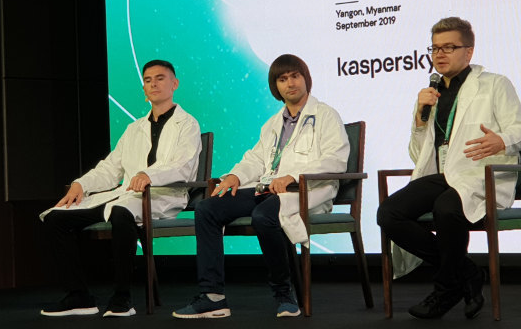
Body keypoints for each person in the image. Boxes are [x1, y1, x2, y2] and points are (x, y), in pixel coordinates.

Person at [173, 54, 350, 319]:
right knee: (207, 209)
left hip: (305, 191)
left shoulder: (325, 115)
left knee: (264, 216)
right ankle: (212, 297)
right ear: (275, 86)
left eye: (295, 76)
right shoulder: (272, 124)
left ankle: (284, 294)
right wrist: (235, 176)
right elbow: (255, 159)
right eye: (283, 79)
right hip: (267, 189)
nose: (290, 83)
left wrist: (292, 176)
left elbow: (336, 159)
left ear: (305, 78)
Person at [377, 17, 521, 319]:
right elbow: (418, 154)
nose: (439, 54)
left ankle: (445, 289)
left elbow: (518, 128)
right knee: (389, 213)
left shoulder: (494, 84)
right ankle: (465, 272)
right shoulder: (430, 95)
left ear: (469, 51)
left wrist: (502, 140)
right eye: (435, 48)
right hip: (443, 175)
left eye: (448, 47)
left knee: (446, 208)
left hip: (481, 174)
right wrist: (420, 118)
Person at [40, 60, 201, 317]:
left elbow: (183, 165)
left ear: (174, 84)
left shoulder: (188, 124)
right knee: (56, 219)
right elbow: (110, 168)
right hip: (128, 195)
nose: (153, 84)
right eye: (148, 80)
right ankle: (79, 296)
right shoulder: (134, 129)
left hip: (163, 196)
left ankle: (122, 298)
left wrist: (148, 175)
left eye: (160, 78)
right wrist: (81, 184)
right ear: (144, 88)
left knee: (121, 212)